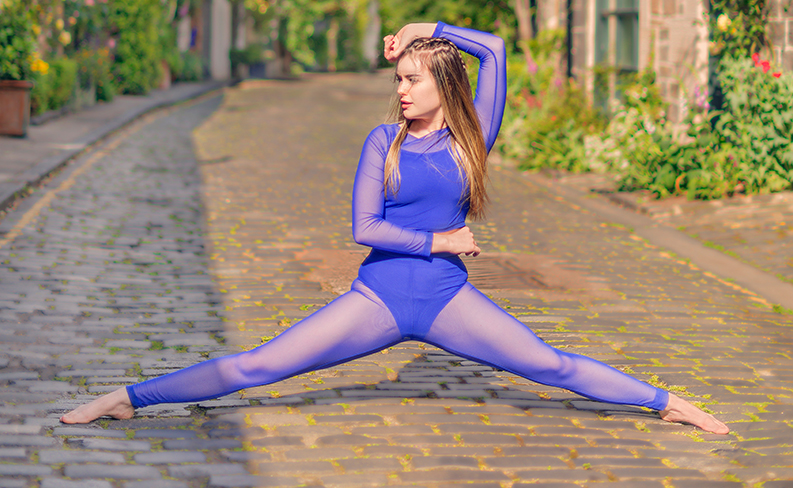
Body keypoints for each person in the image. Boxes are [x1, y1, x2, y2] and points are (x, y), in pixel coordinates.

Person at [61, 22, 728, 433]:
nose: (402, 90)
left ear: (441, 81)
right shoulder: (383, 140)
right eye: (400, 79)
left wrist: (422, 25)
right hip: (377, 298)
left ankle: (665, 403)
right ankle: (127, 398)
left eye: (412, 78)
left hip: (446, 301)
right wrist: (437, 240)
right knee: (259, 364)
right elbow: (364, 227)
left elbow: (493, 51)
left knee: (547, 364)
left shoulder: (471, 140)